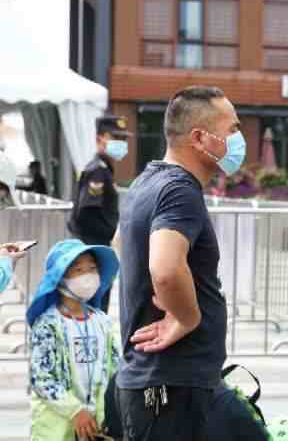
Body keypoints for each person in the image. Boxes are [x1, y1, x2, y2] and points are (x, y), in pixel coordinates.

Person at [116, 86, 245, 440]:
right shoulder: (179, 189)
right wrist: (187, 318)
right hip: (170, 386)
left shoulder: (146, 182)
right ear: (200, 137)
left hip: (169, 382)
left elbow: (119, 243)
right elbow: (166, 268)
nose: (238, 139)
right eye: (232, 129)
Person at [27, 239, 120, 441]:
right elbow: (42, 378)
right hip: (58, 431)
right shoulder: (48, 324)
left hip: (97, 429)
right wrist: (75, 411)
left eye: (92, 268)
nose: (88, 275)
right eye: (78, 269)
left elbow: (116, 368)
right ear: (59, 278)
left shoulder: (103, 322)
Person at [68, 115, 133, 313]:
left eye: (124, 139)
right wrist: (105, 238)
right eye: (116, 138)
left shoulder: (103, 169)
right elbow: (87, 213)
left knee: (95, 304)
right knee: (94, 305)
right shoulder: (98, 171)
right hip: (93, 247)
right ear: (100, 139)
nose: (122, 144)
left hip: (95, 245)